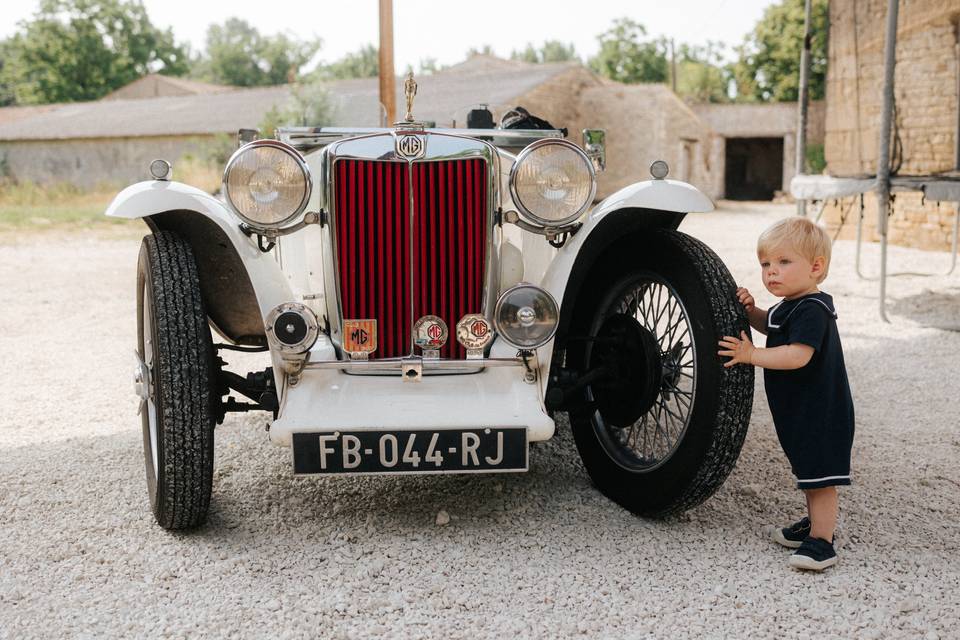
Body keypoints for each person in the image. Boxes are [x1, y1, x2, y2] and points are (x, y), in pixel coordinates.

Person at [717, 216, 855, 572]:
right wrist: (751, 312)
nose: (771, 272)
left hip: (821, 411)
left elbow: (797, 355)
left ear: (815, 267)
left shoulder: (813, 310)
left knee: (821, 478)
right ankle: (813, 524)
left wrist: (751, 355)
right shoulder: (791, 305)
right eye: (765, 264)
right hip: (802, 409)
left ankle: (823, 543)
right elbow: (773, 326)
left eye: (783, 262)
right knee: (809, 471)